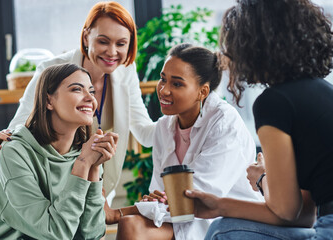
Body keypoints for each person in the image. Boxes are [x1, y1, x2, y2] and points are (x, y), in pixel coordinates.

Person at [185, 0, 333, 239]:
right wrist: (219, 205)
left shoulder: (274, 103)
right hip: (323, 219)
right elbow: (304, 215)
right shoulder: (324, 92)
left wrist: (263, 179)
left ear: (251, 47)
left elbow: (285, 209)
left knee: (222, 231)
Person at [0, 1, 155, 199]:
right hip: (52, 186)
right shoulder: (51, 69)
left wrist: (192, 117)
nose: (112, 52)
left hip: (97, 187)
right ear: (86, 37)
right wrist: (2, 141)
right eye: (103, 41)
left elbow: (145, 133)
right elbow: (20, 126)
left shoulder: (126, 71)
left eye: (121, 44)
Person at [102, 43, 263, 240]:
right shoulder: (164, 127)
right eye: (163, 79)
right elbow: (160, 194)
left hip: (224, 222)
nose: (164, 90)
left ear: (202, 92)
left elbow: (194, 199)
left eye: (177, 84)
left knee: (131, 225)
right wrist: (154, 200)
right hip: (180, 219)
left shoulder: (224, 123)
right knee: (131, 225)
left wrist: (117, 213)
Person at [0, 63, 119, 239]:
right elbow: (55, 234)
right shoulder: (13, 152)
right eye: (76, 89)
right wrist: (83, 164)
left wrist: (94, 168)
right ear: (49, 100)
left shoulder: (86, 152)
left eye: (91, 91)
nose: (90, 98)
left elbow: (92, 234)